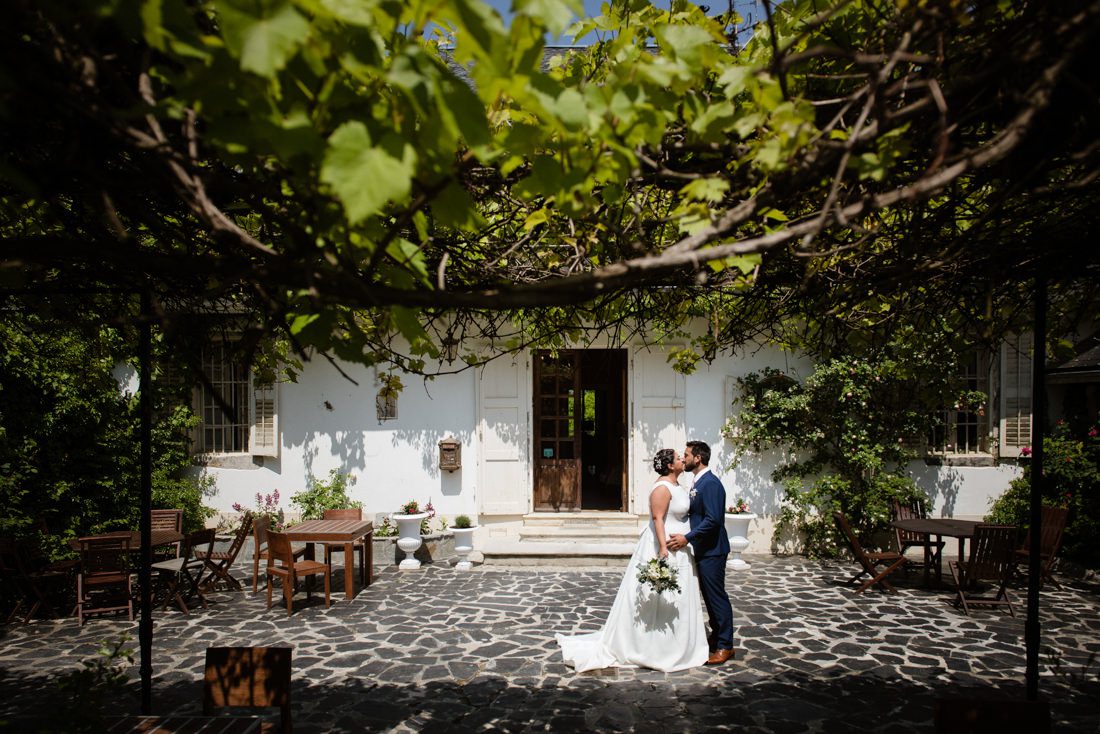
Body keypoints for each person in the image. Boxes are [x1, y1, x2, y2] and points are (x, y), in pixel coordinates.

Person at [555, 449, 709, 672]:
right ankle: (651, 644)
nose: (682, 459)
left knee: (677, 595)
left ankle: (675, 642)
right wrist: (663, 548)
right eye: (678, 458)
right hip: (665, 546)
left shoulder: (677, 486)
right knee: (657, 593)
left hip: (681, 546)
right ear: (669, 466)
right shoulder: (662, 488)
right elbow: (658, 518)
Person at [667, 440, 735, 665]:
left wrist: (687, 537)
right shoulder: (698, 482)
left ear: (698, 458)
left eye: (686, 455)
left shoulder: (711, 484)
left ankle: (725, 645)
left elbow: (713, 520)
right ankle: (717, 638)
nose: (683, 458)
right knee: (709, 596)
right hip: (704, 549)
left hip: (714, 550)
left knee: (716, 597)